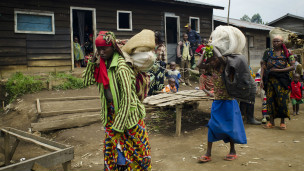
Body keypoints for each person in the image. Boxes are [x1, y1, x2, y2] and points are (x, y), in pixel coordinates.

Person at [83, 31, 151, 170]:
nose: (101, 52)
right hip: (111, 114)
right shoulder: (101, 64)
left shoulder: (121, 67)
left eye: (104, 49)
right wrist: (92, 61)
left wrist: (118, 127)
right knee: (112, 151)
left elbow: (127, 99)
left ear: (113, 47)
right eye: (99, 49)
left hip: (129, 116)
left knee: (137, 153)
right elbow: (87, 80)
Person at [197, 26, 247, 163]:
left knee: (231, 127)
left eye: (213, 59)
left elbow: (220, 57)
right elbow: (198, 65)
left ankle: (233, 150)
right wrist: (205, 51)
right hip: (218, 101)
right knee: (212, 126)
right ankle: (208, 153)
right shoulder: (212, 67)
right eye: (210, 59)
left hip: (230, 101)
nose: (212, 61)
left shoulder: (227, 66)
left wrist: (213, 46)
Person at [261, 35, 295, 130]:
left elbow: (292, 67)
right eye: (274, 41)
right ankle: (271, 122)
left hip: (282, 80)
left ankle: (282, 122)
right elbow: (263, 64)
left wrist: (278, 70)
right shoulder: (268, 52)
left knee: (282, 101)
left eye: (278, 41)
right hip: (270, 80)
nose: (276, 43)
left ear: (282, 42)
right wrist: (262, 80)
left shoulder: (287, 52)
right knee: (270, 100)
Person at [148, 31, 167, 95]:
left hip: (159, 66)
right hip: (151, 66)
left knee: (159, 81)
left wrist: (164, 67)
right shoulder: (151, 45)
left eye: (155, 37)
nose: (154, 38)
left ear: (158, 38)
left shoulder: (162, 46)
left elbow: (164, 58)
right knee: (151, 80)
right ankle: (150, 94)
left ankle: (158, 94)